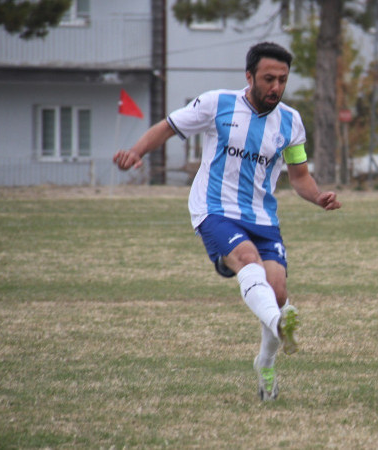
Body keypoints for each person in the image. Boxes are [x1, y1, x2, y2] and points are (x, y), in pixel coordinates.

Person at [113, 42, 341, 402]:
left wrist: (318, 196)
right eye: (268, 79)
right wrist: (136, 152)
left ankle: (265, 362)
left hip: (262, 217)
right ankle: (279, 322)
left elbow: (299, 177)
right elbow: (169, 126)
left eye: (282, 79)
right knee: (248, 261)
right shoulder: (217, 104)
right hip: (214, 208)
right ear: (249, 76)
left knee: (278, 292)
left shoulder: (291, 122)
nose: (276, 87)